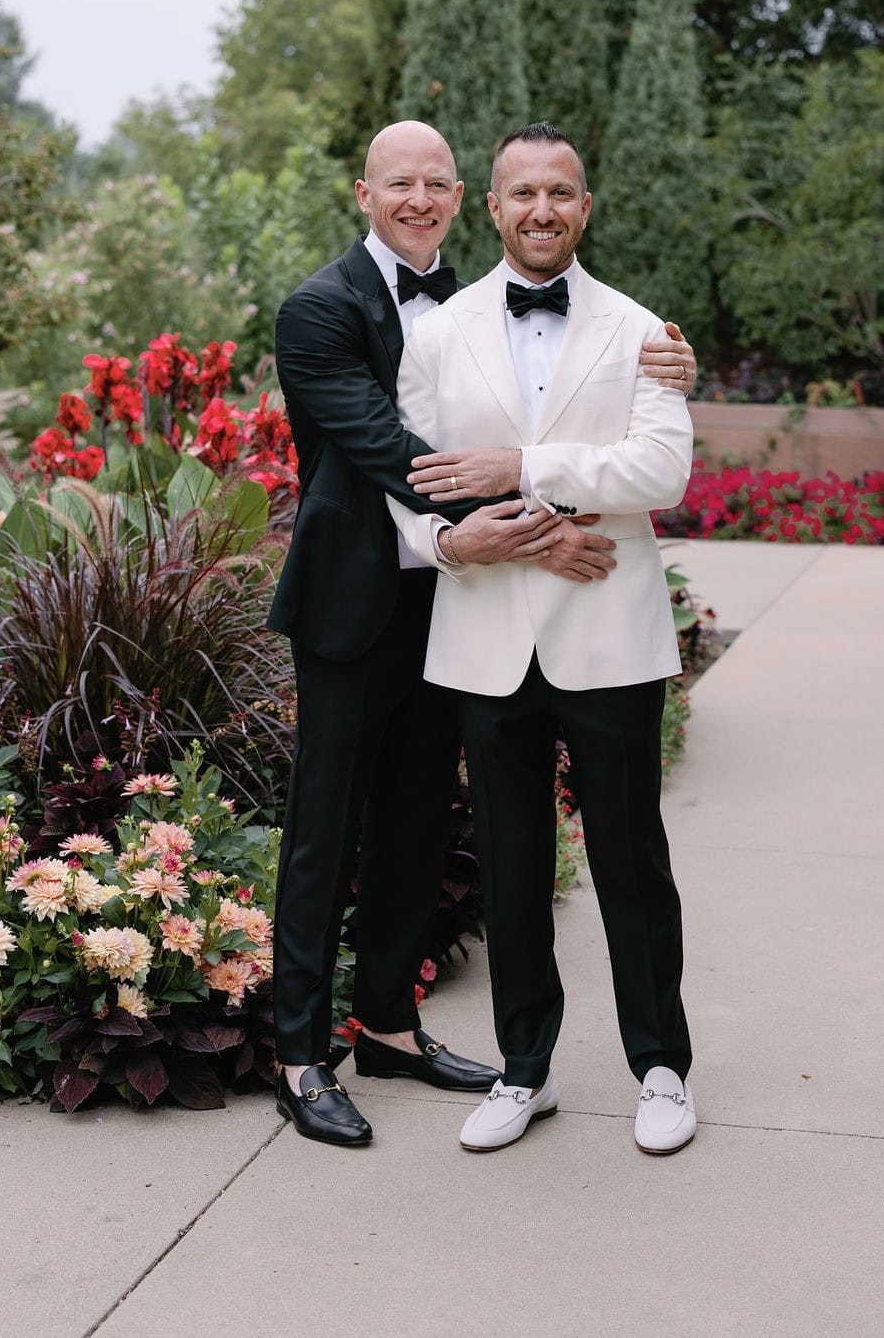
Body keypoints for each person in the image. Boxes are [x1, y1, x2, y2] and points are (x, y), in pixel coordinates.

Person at [268, 119, 698, 1148]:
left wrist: (526, 482)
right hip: (391, 606)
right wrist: (501, 538)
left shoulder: (629, 325)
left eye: (435, 182)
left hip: (519, 623)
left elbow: (650, 466)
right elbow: (402, 461)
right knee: (354, 834)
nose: (419, 198)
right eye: (397, 183)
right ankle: (328, 1054)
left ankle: (410, 1030)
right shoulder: (359, 315)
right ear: (363, 193)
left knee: (462, 833)